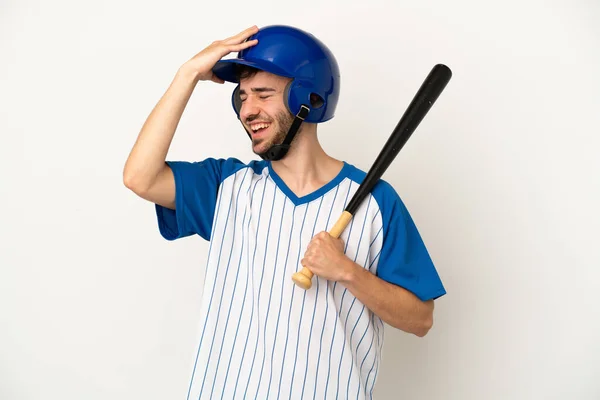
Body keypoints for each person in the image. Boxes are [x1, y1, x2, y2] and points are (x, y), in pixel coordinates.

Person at [123, 24, 446, 400]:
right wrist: (188, 74)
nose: (247, 110)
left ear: (306, 98)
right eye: (242, 97)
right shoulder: (226, 186)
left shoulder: (375, 201)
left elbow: (420, 319)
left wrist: (346, 272)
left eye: (262, 94)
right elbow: (139, 177)